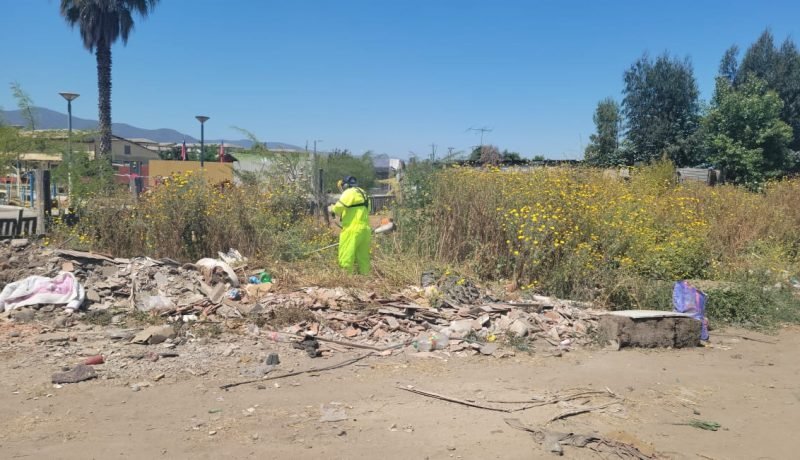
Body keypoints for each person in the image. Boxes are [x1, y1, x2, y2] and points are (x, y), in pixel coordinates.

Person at [329, 175, 371, 274]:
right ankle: (365, 277)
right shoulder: (363, 193)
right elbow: (368, 209)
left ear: (346, 185)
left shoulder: (349, 192)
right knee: (363, 257)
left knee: (346, 255)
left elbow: (338, 208)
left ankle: (346, 279)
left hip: (352, 229)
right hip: (365, 230)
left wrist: (331, 208)